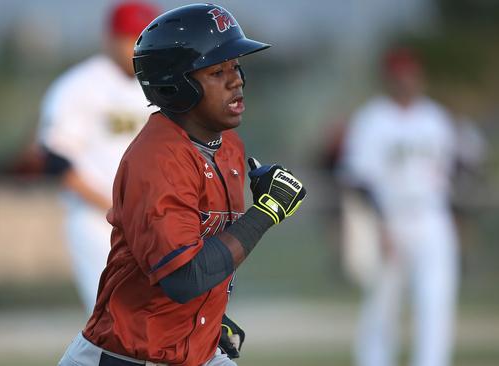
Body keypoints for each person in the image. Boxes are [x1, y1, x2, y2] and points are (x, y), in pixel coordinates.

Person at [57, 4, 306, 366]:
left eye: (235, 66)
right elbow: (184, 278)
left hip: (191, 353)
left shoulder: (228, 147)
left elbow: (204, 255)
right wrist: (265, 213)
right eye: (217, 71)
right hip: (125, 358)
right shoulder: (158, 159)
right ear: (176, 85)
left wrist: (204, 318)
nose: (235, 79)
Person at [339, 48, 460, 366]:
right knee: (382, 304)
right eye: (400, 74)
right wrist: (380, 227)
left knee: (435, 301)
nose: (407, 80)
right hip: (389, 219)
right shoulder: (373, 119)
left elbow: (449, 171)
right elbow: (360, 180)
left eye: (411, 74)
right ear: (388, 78)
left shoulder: (435, 117)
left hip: (431, 216)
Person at [38, 1, 160, 314]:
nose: (140, 45)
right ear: (111, 39)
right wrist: (114, 206)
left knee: (161, 320)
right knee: (117, 317)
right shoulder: (80, 86)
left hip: (155, 220)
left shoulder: (163, 85)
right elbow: (56, 160)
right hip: (98, 222)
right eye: (133, 37)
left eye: (148, 36)